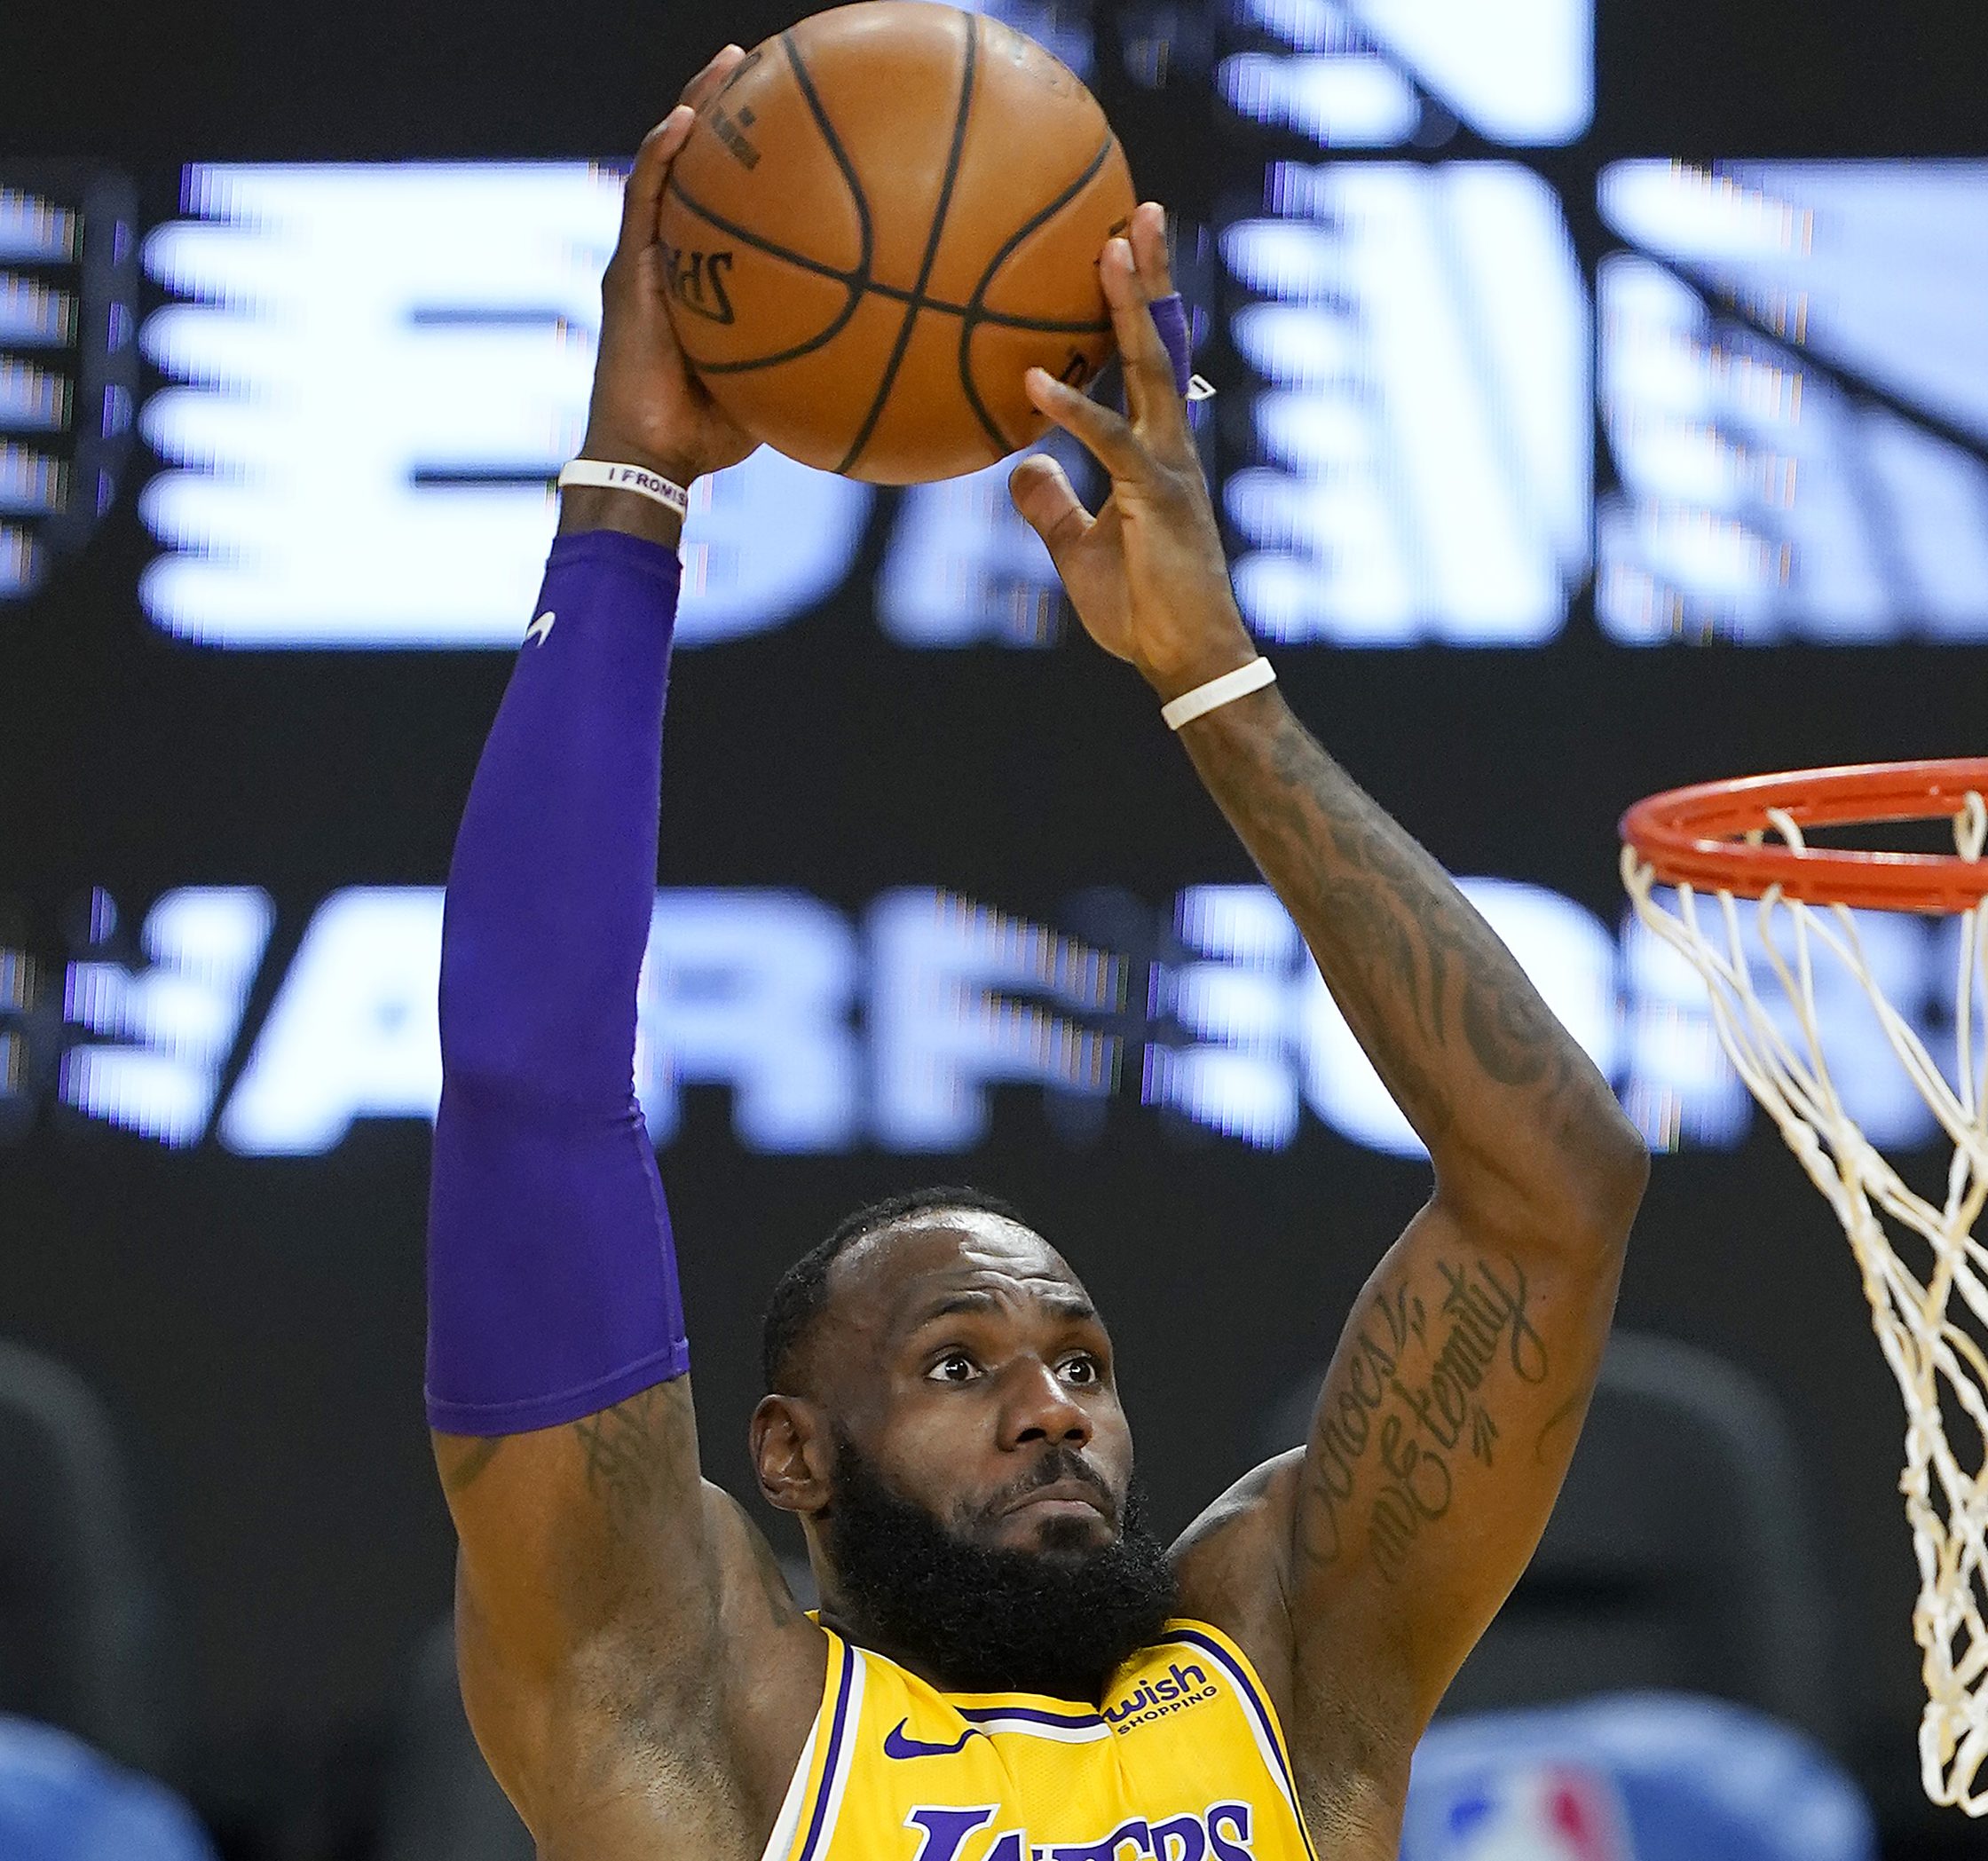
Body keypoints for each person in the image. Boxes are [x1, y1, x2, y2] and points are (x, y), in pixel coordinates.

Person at [422, 51, 1649, 1861]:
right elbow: (530, 1094)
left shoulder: (1281, 1663)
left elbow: (1556, 1187)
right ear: (789, 1452)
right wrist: (631, 493)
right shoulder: (702, 1707)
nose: (1049, 1409)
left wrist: (1214, 677)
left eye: (1080, 1360)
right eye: (956, 1364)